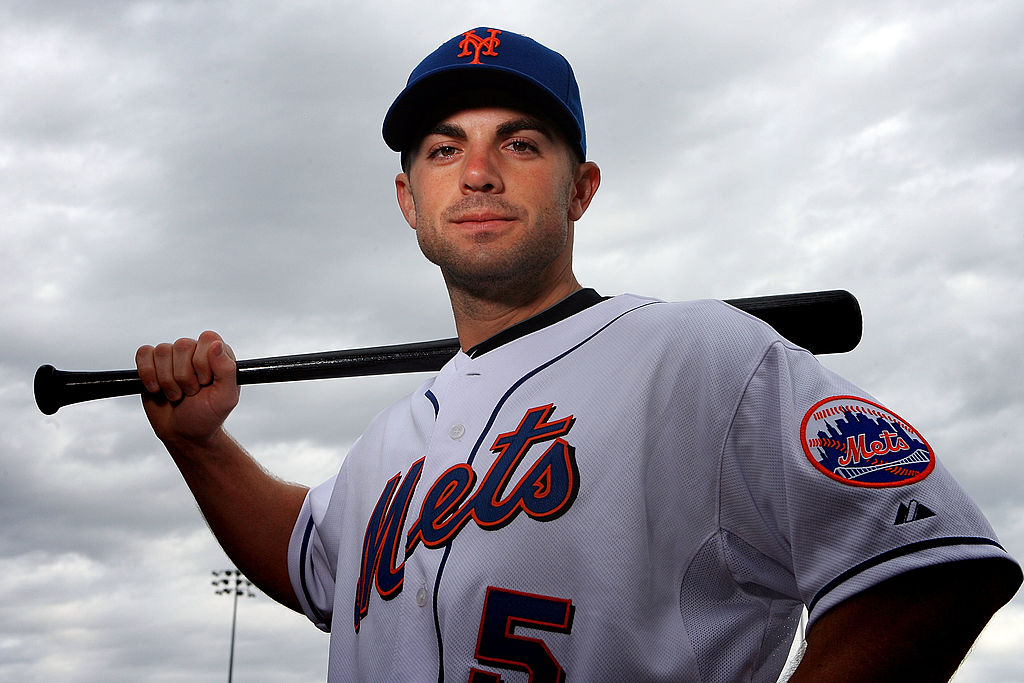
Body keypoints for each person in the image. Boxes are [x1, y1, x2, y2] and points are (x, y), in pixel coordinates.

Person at [136, 27, 1021, 682]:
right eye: (445, 150)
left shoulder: (697, 354)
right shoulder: (391, 442)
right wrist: (198, 443)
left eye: (519, 143)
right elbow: (306, 555)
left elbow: (932, 566)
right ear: (410, 199)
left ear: (581, 187)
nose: (477, 172)